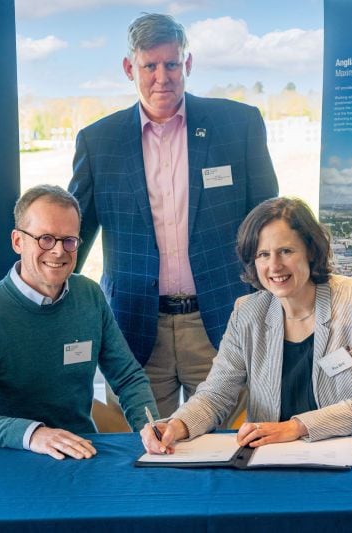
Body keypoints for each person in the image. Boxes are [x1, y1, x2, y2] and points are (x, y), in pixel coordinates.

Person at [68, 13, 278, 420]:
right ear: (130, 68)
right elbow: (73, 237)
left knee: (228, 451)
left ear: (188, 64)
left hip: (222, 322)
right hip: (136, 330)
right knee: (147, 453)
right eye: (150, 66)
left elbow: (268, 222)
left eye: (172, 64)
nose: (162, 77)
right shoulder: (98, 141)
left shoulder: (238, 125)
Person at [141, 197, 352, 453]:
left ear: (311, 250)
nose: (274, 266)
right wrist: (177, 424)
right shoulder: (247, 312)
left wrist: (296, 427)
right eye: (263, 254)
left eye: (286, 251)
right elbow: (215, 394)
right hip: (275, 456)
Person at [0, 184, 158, 460]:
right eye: (46, 239)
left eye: (69, 240)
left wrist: (150, 428)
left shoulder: (89, 296)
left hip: (81, 457)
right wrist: (34, 434)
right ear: (18, 241)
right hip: (7, 460)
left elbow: (128, 377)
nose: (58, 251)